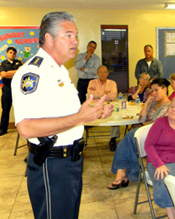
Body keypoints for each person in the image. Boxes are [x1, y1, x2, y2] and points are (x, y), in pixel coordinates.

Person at [11, 11, 113, 219]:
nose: (76, 41)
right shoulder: (33, 74)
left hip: (71, 161)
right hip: (51, 164)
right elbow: (26, 128)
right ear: (49, 38)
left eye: (76, 36)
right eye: (69, 35)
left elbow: (65, 115)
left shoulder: (59, 71)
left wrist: (91, 113)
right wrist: (80, 118)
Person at [107, 78, 171, 189]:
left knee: (129, 138)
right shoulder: (153, 103)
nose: (153, 93)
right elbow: (141, 119)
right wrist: (147, 103)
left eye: (156, 90)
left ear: (165, 89)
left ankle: (123, 174)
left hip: (158, 138)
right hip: (146, 132)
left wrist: (147, 123)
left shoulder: (169, 106)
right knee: (127, 141)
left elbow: (157, 125)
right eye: (152, 90)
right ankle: (122, 174)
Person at [87, 65, 118, 151]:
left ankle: (113, 139)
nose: (102, 74)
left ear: (107, 73)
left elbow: (113, 96)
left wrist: (97, 93)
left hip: (108, 106)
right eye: (100, 72)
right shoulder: (92, 82)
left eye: (104, 72)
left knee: (116, 117)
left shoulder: (112, 83)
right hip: (95, 106)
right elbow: (90, 95)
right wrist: (104, 92)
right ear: (97, 73)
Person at [0, 47, 22, 136]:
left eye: (13, 53)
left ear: (15, 54)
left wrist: (9, 73)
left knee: (20, 110)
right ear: (7, 53)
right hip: (7, 89)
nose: (12, 54)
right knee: (5, 110)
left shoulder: (19, 62)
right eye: (10, 52)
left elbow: (21, 73)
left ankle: (22, 129)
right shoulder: (3, 64)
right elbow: (3, 74)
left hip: (18, 89)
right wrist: (16, 72)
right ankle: (3, 129)